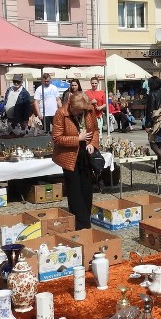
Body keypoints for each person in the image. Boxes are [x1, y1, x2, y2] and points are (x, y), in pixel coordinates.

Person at [52, 91, 99, 230]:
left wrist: (92, 144)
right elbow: (57, 138)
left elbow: (95, 130)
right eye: (77, 110)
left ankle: (84, 219)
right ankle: (82, 225)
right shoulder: (61, 113)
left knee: (86, 190)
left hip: (85, 154)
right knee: (74, 191)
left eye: (82, 111)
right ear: (71, 106)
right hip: (69, 156)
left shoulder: (89, 110)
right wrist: (77, 139)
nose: (80, 113)